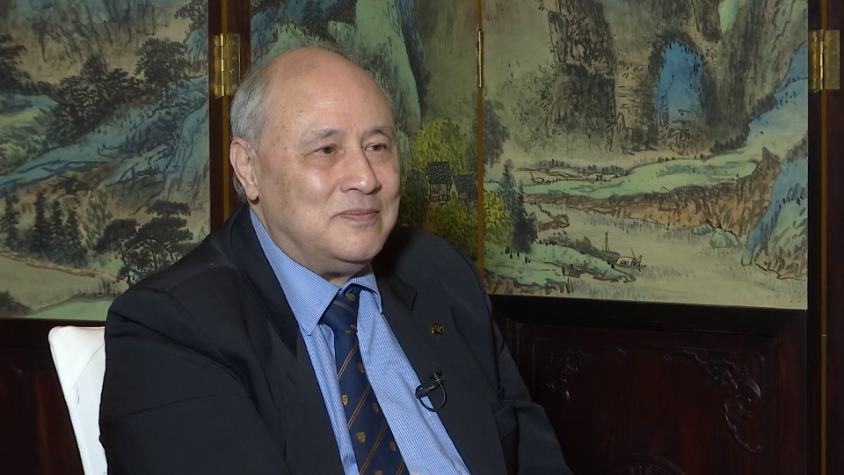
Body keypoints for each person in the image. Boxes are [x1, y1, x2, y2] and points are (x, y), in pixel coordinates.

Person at [99, 45, 571, 475]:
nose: (365, 178)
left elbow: (532, 457)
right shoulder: (171, 330)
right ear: (248, 169)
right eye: (326, 150)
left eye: (377, 147)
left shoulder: (439, 273)